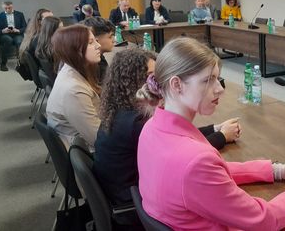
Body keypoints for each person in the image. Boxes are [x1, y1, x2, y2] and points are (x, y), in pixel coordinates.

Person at [137, 37, 285, 230]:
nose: (220, 89)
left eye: (217, 79)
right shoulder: (195, 162)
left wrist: (277, 170)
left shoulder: (150, 128)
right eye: (208, 80)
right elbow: (264, 220)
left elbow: (213, 175)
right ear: (176, 85)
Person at [94, 48, 241, 224]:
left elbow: (178, 136)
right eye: (151, 76)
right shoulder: (137, 122)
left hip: (123, 194)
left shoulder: (121, 110)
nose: (158, 81)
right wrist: (222, 136)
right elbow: (184, 155)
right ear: (132, 80)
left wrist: (215, 128)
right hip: (129, 207)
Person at [46, 25, 101, 149]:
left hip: (80, 142)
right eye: (91, 43)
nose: (98, 46)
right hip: (85, 150)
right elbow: (97, 138)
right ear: (74, 50)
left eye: (96, 41)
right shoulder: (74, 90)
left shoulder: (70, 69)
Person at [0, 1, 28, 71]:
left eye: (9, 8)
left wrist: (18, 30)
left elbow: (25, 27)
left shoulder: (20, 14)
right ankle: (3, 63)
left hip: (17, 34)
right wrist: (2, 31)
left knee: (19, 41)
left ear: (12, 6)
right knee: (8, 40)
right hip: (5, 35)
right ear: (3, 7)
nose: (8, 10)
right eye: (6, 8)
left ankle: (21, 63)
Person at [82, 17, 116, 83]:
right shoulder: (92, 66)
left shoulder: (100, 58)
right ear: (95, 39)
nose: (114, 40)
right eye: (110, 36)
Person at [34, 16, 63, 83]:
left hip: (55, 79)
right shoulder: (53, 49)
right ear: (51, 31)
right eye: (60, 28)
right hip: (60, 80)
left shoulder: (43, 44)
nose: (63, 30)